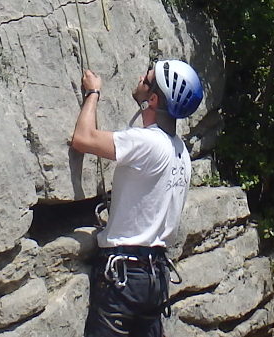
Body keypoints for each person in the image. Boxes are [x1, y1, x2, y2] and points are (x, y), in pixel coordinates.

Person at [69, 59, 204, 337]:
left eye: (147, 78)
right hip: (155, 277)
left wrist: (93, 93)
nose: (141, 77)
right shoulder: (181, 152)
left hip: (124, 276)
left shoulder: (146, 141)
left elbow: (83, 138)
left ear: (152, 99)